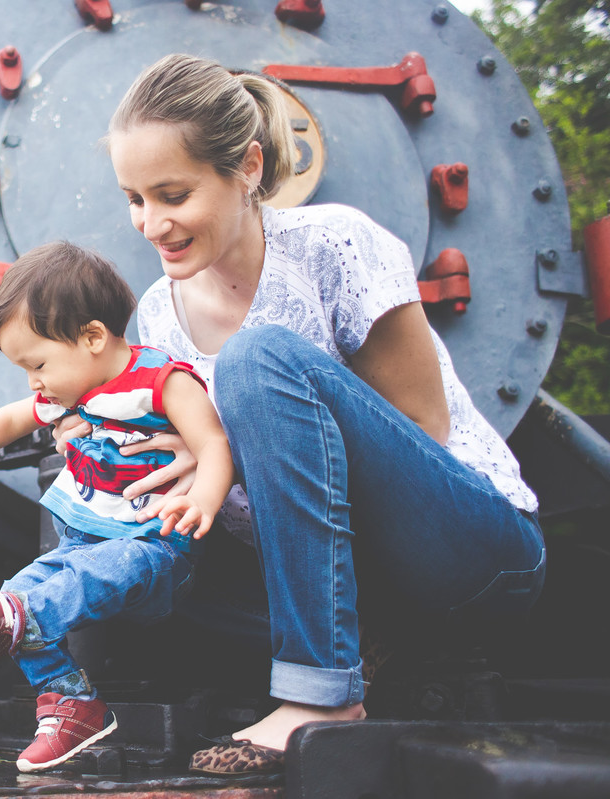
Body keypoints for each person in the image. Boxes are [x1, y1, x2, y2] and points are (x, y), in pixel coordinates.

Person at [55, 53, 545, 775]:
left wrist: (225, 444)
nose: (151, 223)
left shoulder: (335, 245)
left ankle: (321, 693)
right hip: (339, 589)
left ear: (247, 166)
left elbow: (424, 430)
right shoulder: (157, 317)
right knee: (134, 548)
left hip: (464, 550)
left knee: (259, 359)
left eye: (173, 194)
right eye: (134, 198)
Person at [0, 240, 234, 773]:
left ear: (93, 336)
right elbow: (8, 418)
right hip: (81, 543)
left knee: (47, 601)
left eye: (38, 363)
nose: (34, 382)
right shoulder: (71, 393)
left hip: (153, 548)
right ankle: (71, 704)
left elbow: (213, 444)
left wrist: (204, 497)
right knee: (17, 593)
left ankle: (22, 622)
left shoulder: (163, 381)